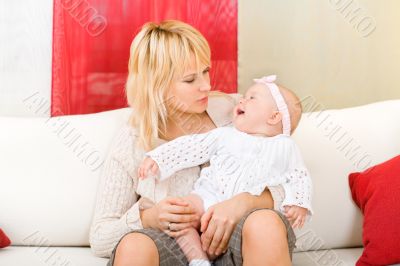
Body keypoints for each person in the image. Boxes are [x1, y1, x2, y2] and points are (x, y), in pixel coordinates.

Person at [89, 20, 297, 266]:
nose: (206, 86)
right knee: (134, 246)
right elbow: (101, 238)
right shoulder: (133, 140)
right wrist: (149, 217)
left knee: (264, 223)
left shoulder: (240, 111)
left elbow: (294, 187)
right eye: (190, 80)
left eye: (206, 70)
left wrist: (243, 203)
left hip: (240, 242)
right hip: (174, 247)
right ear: (156, 85)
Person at [138, 75, 313, 265]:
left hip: (244, 218)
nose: (241, 100)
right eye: (244, 97)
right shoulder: (225, 135)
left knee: (260, 226)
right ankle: (198, 260)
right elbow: (192, 146)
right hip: (206, 198)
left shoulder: (286, 147)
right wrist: (159, 158)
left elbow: (299, 176)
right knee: (180, 215)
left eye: (252, 98)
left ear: (273, 117)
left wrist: (299, 202)